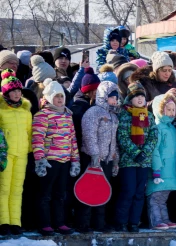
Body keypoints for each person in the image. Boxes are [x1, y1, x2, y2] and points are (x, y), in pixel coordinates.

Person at [32, 79, 80, 236]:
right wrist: (39, 159)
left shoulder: (67, 115)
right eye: (56, 97)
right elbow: (37, 138)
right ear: (49, 98)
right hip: (49, 160)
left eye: (61, 97)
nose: (59, 100)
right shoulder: (43, 115)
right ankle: (44, 223)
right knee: (45, 193)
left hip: (64, 160)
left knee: (60, 194)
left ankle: (59, 222)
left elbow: (72, 139)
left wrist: (75, 160)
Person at [77, 81, 120, 233]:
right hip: (93, 159)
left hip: (106, 160)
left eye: (116, 98)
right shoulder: (94, 112)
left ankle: (99, 222)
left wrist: (115, 159)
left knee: (103, 192)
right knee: (88, 191)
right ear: (104, 96)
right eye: (112, 97)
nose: (115, 100)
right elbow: (89, 134)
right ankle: (83, 223)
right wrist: (94, 153)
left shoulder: (114, 116)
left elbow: (114, 140)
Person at [115, 82, 158, 233]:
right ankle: (121, 221)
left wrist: (145, 153)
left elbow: (153, 136)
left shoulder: (149, 115)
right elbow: (122, 137)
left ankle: (134, 222)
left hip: (144, 161)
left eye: (142, 96)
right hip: (128, 161)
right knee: (128, 191)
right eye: (136, 96)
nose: (140, 99)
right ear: (129, 99)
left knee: (139, 193)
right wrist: (136, 153)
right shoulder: (124, 115)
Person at [0, 69, 33, 236]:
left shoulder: (25, 112)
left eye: (19, 91)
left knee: (17, 189)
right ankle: (3, 221)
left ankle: (15, 221)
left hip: (21, 154)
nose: (17, 94)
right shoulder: (1, 111)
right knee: (4, 188)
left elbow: (29, 132)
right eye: (13, 91)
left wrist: (29, 150)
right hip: (5, 155)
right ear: (7, 93)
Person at [146, 92, 176, 230]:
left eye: (174, 110)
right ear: (160, 110)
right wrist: (156, 169)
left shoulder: (172, 128)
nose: (172, 113)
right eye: (168, 109)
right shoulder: (157, 127)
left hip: (170, 169)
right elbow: (155, 150)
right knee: (155, 197)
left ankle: (164, 219)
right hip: (159, 169)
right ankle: (155, 221)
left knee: (163, 198)